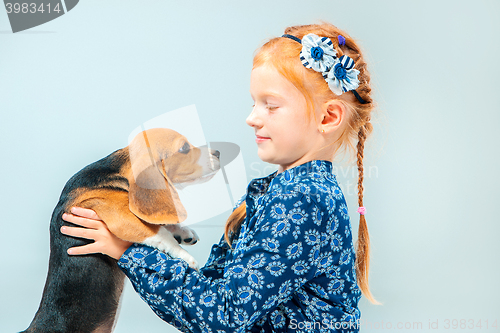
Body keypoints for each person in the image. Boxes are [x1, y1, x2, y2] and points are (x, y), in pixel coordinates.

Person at [61, 23, 378, 332]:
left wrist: (130, 251)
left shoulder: (302, 201)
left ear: (328, 117)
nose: (251, 118)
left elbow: (225, 315)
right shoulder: (275, 192)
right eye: (254, 103)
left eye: (270, 105)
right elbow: (214, 287)